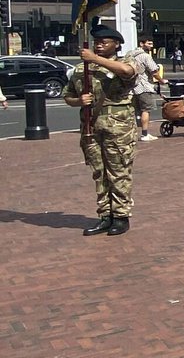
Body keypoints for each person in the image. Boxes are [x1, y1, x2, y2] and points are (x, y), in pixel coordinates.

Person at [62, 25, 138, 236]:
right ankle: (105, 215)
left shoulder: (124, 63)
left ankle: (121, 216)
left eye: (105, 42)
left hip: (118, 128)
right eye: (97, 42)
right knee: (99, 172)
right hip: (91, 126)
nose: (99, 44)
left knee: (119, 171)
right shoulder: (80, 69)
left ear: (116, 45)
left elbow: (127, 73)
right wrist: (78, 100)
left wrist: (94, 59)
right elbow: (67, 96)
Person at [128, 34, 163, 142]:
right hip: (144, 86)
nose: (151, 46)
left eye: (152, 43)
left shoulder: (129, 54)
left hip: (131, 86)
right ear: (141, 44)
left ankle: (131, 134)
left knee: (132, 111)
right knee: (145, 110)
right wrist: (162, 80)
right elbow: (154, 71)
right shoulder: (145, 56)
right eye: (149, 43)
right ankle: (145, 134)